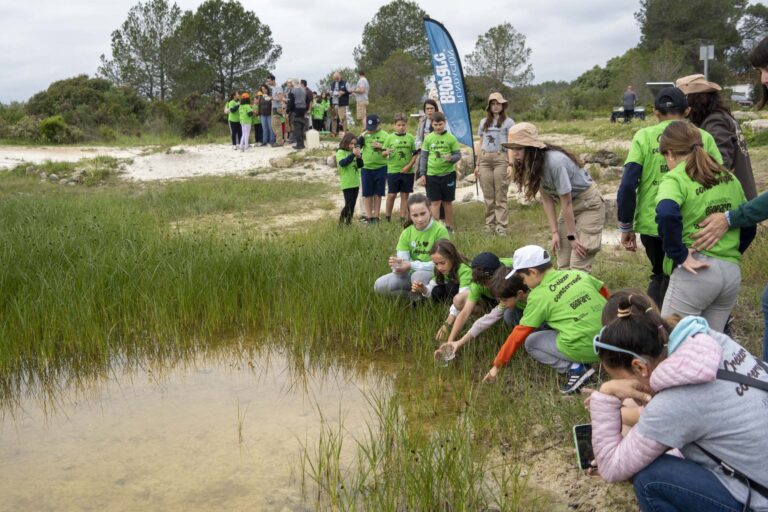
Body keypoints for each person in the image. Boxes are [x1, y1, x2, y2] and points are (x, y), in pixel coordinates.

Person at [588, 294, 768, 512]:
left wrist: (607, 393)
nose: (622, 387)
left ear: (640, 367)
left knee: (651, 479)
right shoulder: (712, 342)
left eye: (621, 380)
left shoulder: (674, 404)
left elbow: (610, 468)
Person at [692, 35, 768, 361]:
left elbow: (719, 165)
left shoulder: (713, 124)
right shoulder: (723, 118)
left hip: (737, 209)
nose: (763, 78)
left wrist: (727, 216)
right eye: (760, 70)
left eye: (767, 68)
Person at [617, 86, 723, 308]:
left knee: (659, 274)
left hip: (652, 222)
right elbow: (719, 178)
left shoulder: (643, 137)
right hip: (695, 223)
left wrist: (626, 225)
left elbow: (628, 184)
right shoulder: (703, 137)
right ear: (687, 111)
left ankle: (654, 327)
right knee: (687, 276)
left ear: (655, 113)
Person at [655, 121, 747, 333]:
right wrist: (731, 251)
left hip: (696, 271)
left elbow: (667, 212)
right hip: (730, 273)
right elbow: (747, 222)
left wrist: (678, 254)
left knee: (669, 340)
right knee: (712, 347)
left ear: (669, 154)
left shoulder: (676, 178)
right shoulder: (728, 177)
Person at [484, 245, 609, 394]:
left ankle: (576, 369)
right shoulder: (577, 274)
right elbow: (606, 294)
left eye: (522, 278)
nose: (523, 283)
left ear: (533, 272)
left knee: (531, 342)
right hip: (611, 341)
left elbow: (518, 335)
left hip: (589, 350)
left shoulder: (538, 296)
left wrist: (497, 365)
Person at [502, 123, 606, 272]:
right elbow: (547, 199)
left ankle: (582, 292)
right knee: (562, 263)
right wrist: (555, 232)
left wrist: (572, 236)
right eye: (512, 148)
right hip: (568, 207)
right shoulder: (531, 165)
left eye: (518, 148)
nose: (515, 152)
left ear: (531, 148)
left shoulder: (555, 163)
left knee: (578, 263)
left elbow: (567, 202)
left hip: (588, 205)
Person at [435, 266, 529, 362]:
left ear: (520, 294)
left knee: (529, 339)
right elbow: (485, 321)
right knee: (508, 314)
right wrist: (459, 342)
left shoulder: (535, 299)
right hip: (528, 312)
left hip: (539, 318)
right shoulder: (511, 294)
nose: (501, 303)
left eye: (504, 300)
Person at [373, 193, 450, 296]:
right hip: (409, 274)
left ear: (430, 209)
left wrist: (411, 265)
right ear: (409, 214)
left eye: (423, 213)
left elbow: (442, 264)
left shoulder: (440, 230)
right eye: (415, 215)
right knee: (379, 285)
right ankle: (412, 296)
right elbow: (403, 262)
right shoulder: (406, 233)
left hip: (433, 273)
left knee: (417, 277)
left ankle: (421, 297)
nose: (420, 219)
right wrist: (397, 265)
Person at [441, 252, 513, 345]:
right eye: (482, 283)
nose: (486, 286)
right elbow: (464, 313)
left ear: (497, 276)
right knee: (460, 300)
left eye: (487, 282)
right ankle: (490, 311)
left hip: (512, 297)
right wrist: (450, 342)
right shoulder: (478, 282)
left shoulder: (512, 275)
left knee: (509, 315)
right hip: (494, 299)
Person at [475, 92, 515, 236]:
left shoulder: (509, 122)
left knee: (500, 193)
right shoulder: (483, 122)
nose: (496, 106)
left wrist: (511, 164)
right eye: (493, 103)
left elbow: (511, 144)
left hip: (500, 159)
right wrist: (477, 164)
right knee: (488, 194)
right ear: (489, 106)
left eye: (498, 103)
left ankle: (501, 226)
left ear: (503, 105)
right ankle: (489, 224)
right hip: (485, 159)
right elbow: (480, 143)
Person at [411, 240, 472, 328]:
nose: (439, 267)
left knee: (451, 288)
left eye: (442, 263)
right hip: (457, 297)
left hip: (473, 299)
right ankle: (444, 307)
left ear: (452, 258)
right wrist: (423, 289)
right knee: (437, 290)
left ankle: (460, 315)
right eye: (436, 264)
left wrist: (447, 323)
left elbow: (462, 297)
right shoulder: (442, 270)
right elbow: (431, 286)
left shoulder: (464, 270)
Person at [417, 112, 461, 232]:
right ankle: (435, 228)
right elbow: (424, 157)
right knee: (435, 203)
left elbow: (458, 155)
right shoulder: (428, 138)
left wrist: (451, 158)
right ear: (432, 124)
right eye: (435, 125)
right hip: (432, 176)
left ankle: (449, 227)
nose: (438, 127)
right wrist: (422, 174)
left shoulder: (451, 138)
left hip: (448, 175)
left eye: (440, 124)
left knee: (447, 202)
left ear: (444, 123)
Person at [382, 113, 418, 224]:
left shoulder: (411, 137)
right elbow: (383, 153)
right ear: (394, 126)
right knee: (392, 194)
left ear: (406, 125)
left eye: (403, 125)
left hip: (408, 171)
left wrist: (409, 166)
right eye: (398, 125)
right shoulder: (389, 137)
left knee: (404, 194)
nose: (401, 127)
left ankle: (403, 218)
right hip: (393, 170)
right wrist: (386, 152)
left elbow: (415, 154)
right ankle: (387, 217)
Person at [357, 114, 389, 222]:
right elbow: (357, 147)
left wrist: (381, 147)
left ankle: (376, 215)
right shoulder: (364, 135)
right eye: (369, 128)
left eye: (373, 128)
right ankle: (369, 216)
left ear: (378, 124)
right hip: (366, 168)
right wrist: (361, 136)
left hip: (381, 167)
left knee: (378, 193)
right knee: (367, 193)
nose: (371, 130)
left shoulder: (385, 135)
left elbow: (390, 150)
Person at [335, 132, 363, 225]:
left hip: (355, 182)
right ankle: (341, 223)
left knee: (353, 205)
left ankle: (349, 223)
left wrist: (359, 157)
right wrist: (353, 155)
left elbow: (360, 165)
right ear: (345, 142)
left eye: (354, 144)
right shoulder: (340, 152)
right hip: (347, 183)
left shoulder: (354, 152)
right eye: (351, 143)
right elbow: (343, 163)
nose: (352, 146)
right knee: (348, 205)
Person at [287, 79, 307, 150]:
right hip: (303, 109)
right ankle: (302, 144)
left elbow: (291, 102)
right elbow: (306, 100)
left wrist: (288, 111)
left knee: (297, 128)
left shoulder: (293, 90)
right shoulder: (303, 89)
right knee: (301, 127)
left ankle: (299, 144)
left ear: (293, 83)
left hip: (296, 110)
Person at [267, 75, 285, 146]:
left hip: (277, 108)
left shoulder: (278, 87)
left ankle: (279, 142)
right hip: (274, 108)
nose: (268, 82)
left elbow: (280, 98)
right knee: (274, 125)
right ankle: (279, 140)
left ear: (273, 80)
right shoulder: (273, 88)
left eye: (269, 81)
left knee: (277, 125)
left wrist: (271, 98)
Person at [330, 72, 349, 136]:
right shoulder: (332, 84)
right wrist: (333, 93)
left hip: (341, 103)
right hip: (334, 103)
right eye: (335, 79)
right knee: (334, 118)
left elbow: (349, 91)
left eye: (337, 78)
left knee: (343, 118)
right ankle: (334, 132)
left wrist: (343, 92)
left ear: (340, 76)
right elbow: (330, 92)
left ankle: (345, 132)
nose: (336, 80)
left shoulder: (345, 83)